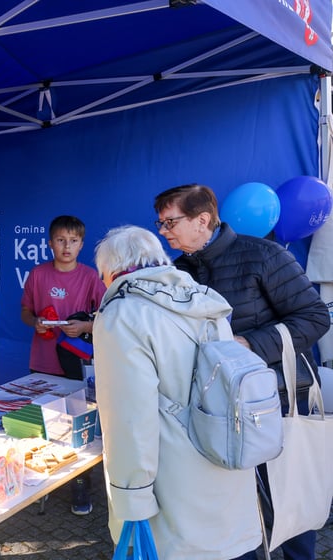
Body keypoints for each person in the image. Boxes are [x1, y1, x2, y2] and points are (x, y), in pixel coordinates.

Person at [153, 183, 330, 560]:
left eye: (170, 222)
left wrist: (248, 345)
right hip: (217, 411)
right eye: (160, 223)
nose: (163, 231)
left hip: (278, 403)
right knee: (236, 509)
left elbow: (314, 317)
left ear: (202, 220)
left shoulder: (262, 255)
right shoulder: (177, 272)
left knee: (288, 504)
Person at [93, 225, 262, 560]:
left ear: (111, 272)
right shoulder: (202, 299)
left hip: (172, 483)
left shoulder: (122, 313)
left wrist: (132, 497)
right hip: (225, 461)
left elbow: (129, 419)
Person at [20, 215, 106, 516]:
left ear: (81, 244)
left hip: (77, 362)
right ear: (49, 243)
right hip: (43, 362)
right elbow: (26, 313)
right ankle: (44, 484)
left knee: (79, 429)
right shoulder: (38, 274)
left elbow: (108, 316)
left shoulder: (91, 277)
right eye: (60, 240)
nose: (66, 246)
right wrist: (37, 323)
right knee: (44, 427)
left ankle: (80, 484)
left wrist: (84, 326)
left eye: (73, 240)